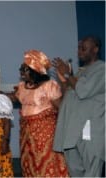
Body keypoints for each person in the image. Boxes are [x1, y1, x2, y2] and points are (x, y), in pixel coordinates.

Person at [7, 49, 69, 177]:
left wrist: (64, 80)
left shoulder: (49, 86)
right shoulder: (22, 87)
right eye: (21, 68)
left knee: (46, 167)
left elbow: (62, 108)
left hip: (46, 138)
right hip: (27, 138)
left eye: (24, 69)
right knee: (29, 166)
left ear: (35, 69)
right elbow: (12, 98)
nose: (20, 72)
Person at [53, 36, 105, 177]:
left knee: (91, 171)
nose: (79, 51)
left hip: (90, 128)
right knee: (75, 170)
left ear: (95, 49)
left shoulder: (102, 69)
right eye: (78, 48)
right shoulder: (81, 71)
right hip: (73, 129)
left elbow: (83, 91)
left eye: (83, 48)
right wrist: (63, 78)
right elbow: (69, 95)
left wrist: (67, 73)